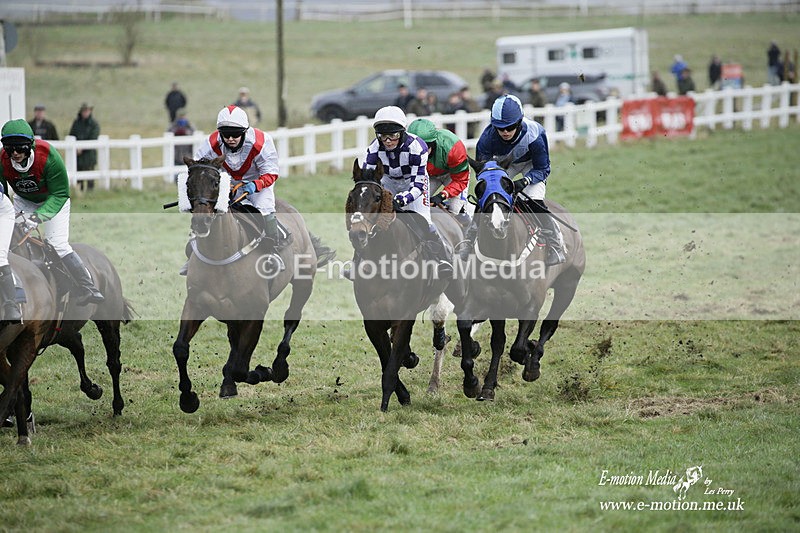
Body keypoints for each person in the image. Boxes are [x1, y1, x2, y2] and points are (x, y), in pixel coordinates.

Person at [0, 119, 104, 306]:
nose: (14, 153)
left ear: (29, 145)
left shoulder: (48, 157)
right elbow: (3, 194)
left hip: (54, 200)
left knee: (57, 243)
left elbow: (60, 193)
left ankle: (87, 286)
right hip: (23, 201)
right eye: (10, 149)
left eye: (19, 148)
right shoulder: (3, 160)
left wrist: (38, 217)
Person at [465, 95, 565, 267]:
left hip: (531, 166)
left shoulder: (535, 133)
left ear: (519, 122)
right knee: (488, 196)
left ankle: (555, 243)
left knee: (533, 200)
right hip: (504, 166)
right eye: (500, 128)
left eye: (510, 127)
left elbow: (543, 169)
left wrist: (525, 182)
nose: (505, 132)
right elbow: (483, 173)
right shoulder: (486, 139)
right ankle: (470, 239)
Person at [183, 105, 284, 275]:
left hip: (258, 182)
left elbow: (271, 172)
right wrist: (221, 185)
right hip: (226, 181)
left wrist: (253, 186)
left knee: (265, 209)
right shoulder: (211, 143)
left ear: (245, 131)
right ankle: (194, 252)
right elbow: (200, 169)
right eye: (225, 133)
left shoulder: (261, 141)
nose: (230, 138)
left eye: (236, 134)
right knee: (206, 208)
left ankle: (273, 252)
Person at [360, 106, 453, 278]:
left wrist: (402, 200)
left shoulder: (417, 147)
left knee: (424, 221)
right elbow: (368, 179)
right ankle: (358, 261)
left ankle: (442, 260)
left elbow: (418, 185)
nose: (387, 141)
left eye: (393, 135)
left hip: (413, 181)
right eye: (382, 136)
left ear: (402, 133)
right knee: (368, 220)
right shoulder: (373, 148)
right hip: (387, 182)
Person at [406, 118, 470, 225]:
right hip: (428, 175)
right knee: (413, 206)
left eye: (425, 147)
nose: (421, 151)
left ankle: (468, 230)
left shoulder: (454, 147)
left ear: (433, 143)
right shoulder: (406, 151)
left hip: (453, 175)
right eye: (416, 147)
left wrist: (442, 195)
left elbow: (460, 180)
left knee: (455, 209)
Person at [68, 102, 100, 192]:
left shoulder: (94, 124)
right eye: (84, 110)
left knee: (90, 177)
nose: (85, 112)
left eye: (87, 110)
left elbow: (93, 137)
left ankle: (90, 193)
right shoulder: (76, 123)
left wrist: (82, 148)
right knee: (79, 177)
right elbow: (72, 135)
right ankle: (79, 192)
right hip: (78, 155)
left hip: (89, 155)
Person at [168, 109, 194, 181]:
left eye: (183, 116)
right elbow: (169, 133)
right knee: (176, 175)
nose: (182, 118)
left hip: (187, 154)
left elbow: (193, 133)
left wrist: (186, 132)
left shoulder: (190, 126)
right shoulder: (173, 126)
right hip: (176, 155)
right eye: (180, 116)